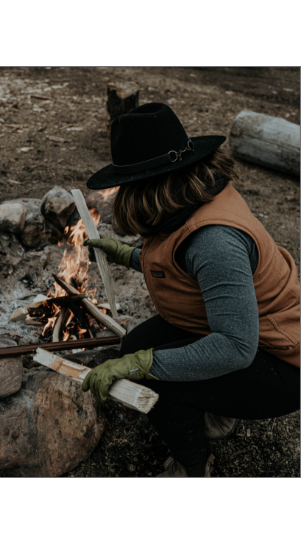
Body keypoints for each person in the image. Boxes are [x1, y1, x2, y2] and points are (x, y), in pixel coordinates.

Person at [81, 103, 300, 477]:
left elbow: (235, 345)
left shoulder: (215, 241)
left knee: (154, 376)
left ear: (147, 182)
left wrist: (145, 366)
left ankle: (194, 466)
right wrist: (129, 256)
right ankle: (214, 405)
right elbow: (187, 269)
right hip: (247, 332)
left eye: (124, 183)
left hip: (281, 360)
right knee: (134, 345)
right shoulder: (186, 199)